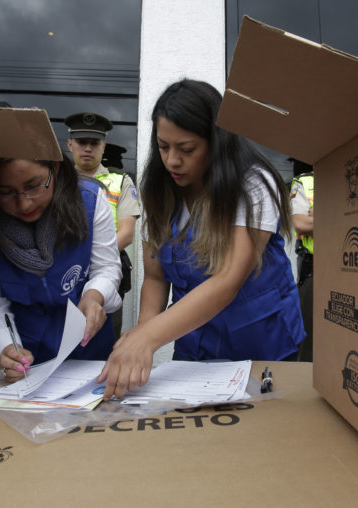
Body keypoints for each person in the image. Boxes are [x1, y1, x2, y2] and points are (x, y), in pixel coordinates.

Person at [97, 79, 305, 400]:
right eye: (163, 147)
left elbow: (228, 279)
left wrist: (149, 337)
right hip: (195, 348)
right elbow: (154, 277)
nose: (172, 161)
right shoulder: (159, 190)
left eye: (187, 149)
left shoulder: (252, 185)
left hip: (262, 346)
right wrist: (141, 337)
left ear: (216, 142)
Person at [0, 154, 122, 383]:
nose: (24, 203)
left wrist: (94, 297)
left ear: (55, 167)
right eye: (4, 192)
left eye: (33, 186)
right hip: (28, 361)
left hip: (89, 354)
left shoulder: (89, 201)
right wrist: (6, 349)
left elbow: (107, 268)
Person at [64, 112, 141, 336]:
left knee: (103, 338)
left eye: (94, 143)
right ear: (70, 144)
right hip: (64, 275)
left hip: (106, 275)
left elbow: (126, 234)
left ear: (103, 147)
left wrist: (86, 259)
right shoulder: (57, 180)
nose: (88, 148)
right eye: (81, 142)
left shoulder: (121, 181)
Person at [290, 163, 314, 362]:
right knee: (310, 336)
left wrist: (316, 218)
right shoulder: (304, 181)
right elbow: (300, 223)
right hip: (314, 271)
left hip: (351, 266)